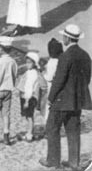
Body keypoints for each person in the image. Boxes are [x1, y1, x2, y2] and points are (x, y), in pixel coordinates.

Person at [44, 24, 91, 170]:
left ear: (67, 38)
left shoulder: (65, 56)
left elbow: (59, 79)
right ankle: (74, 162)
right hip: (77, 100)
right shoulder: (85, 55)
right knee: (73, 130)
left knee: (52, 128)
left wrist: (50, 97)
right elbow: (87, 77)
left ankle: (53, 161)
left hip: (62, 100)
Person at [18, 50, 48, 143]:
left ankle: (29, 134)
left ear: (34, 63)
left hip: (29, 97)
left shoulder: (32, 74)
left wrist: (26, 100)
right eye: (26, 63)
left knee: (29, 116)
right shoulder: (32, 72)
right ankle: (29, 132)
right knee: (28, 116)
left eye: (29, 63)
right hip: (28, 97)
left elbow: (30, 88)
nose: (27, 64)